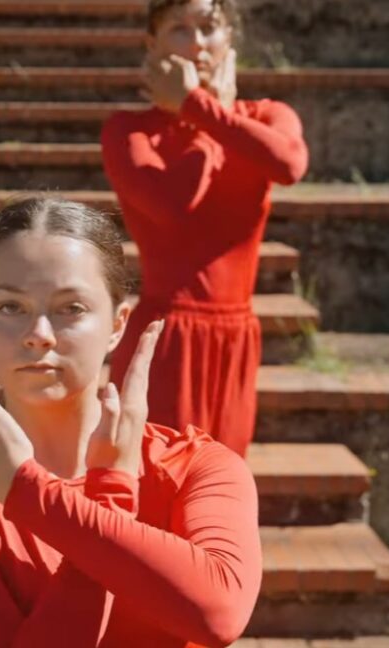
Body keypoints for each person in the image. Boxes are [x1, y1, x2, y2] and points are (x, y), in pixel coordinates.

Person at [0, 196, 261, 647]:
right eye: (10, 307)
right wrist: (108, 496)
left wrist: (28, 492)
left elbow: (217, 616)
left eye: (71, 308)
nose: (38, 335)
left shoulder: (196, 468)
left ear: (118, 324)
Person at [101, 0, 309, 457]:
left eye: (209, 27)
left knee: (219, 493)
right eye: (179, 29)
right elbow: (176, 206)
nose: (196, 43)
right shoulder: (128, 131)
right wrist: (203, 113)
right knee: (152, 488)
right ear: (151, 43)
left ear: (229, 39)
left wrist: (208, 111)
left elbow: (290, 165)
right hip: (164, 337)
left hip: (235, 337)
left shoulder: (267, 116)